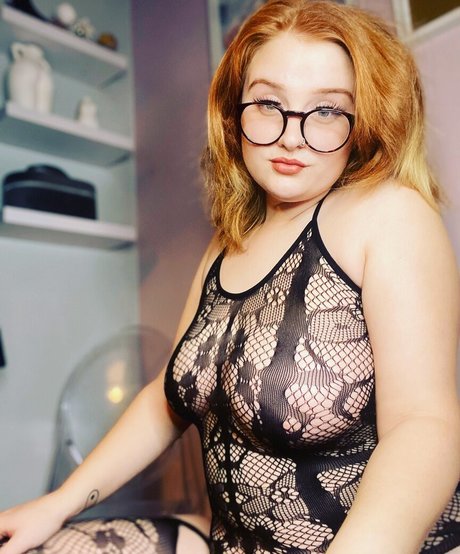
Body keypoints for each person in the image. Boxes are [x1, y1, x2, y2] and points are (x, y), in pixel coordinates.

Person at [1, 0, 459, 552]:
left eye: (327, 110)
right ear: (233, 113)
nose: (292, 136)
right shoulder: (226, 243)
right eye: (268, 103)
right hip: (230, 540)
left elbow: (424, 427)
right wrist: (58, 503)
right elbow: (165, 400)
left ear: (363, 121)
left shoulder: (389, 214)